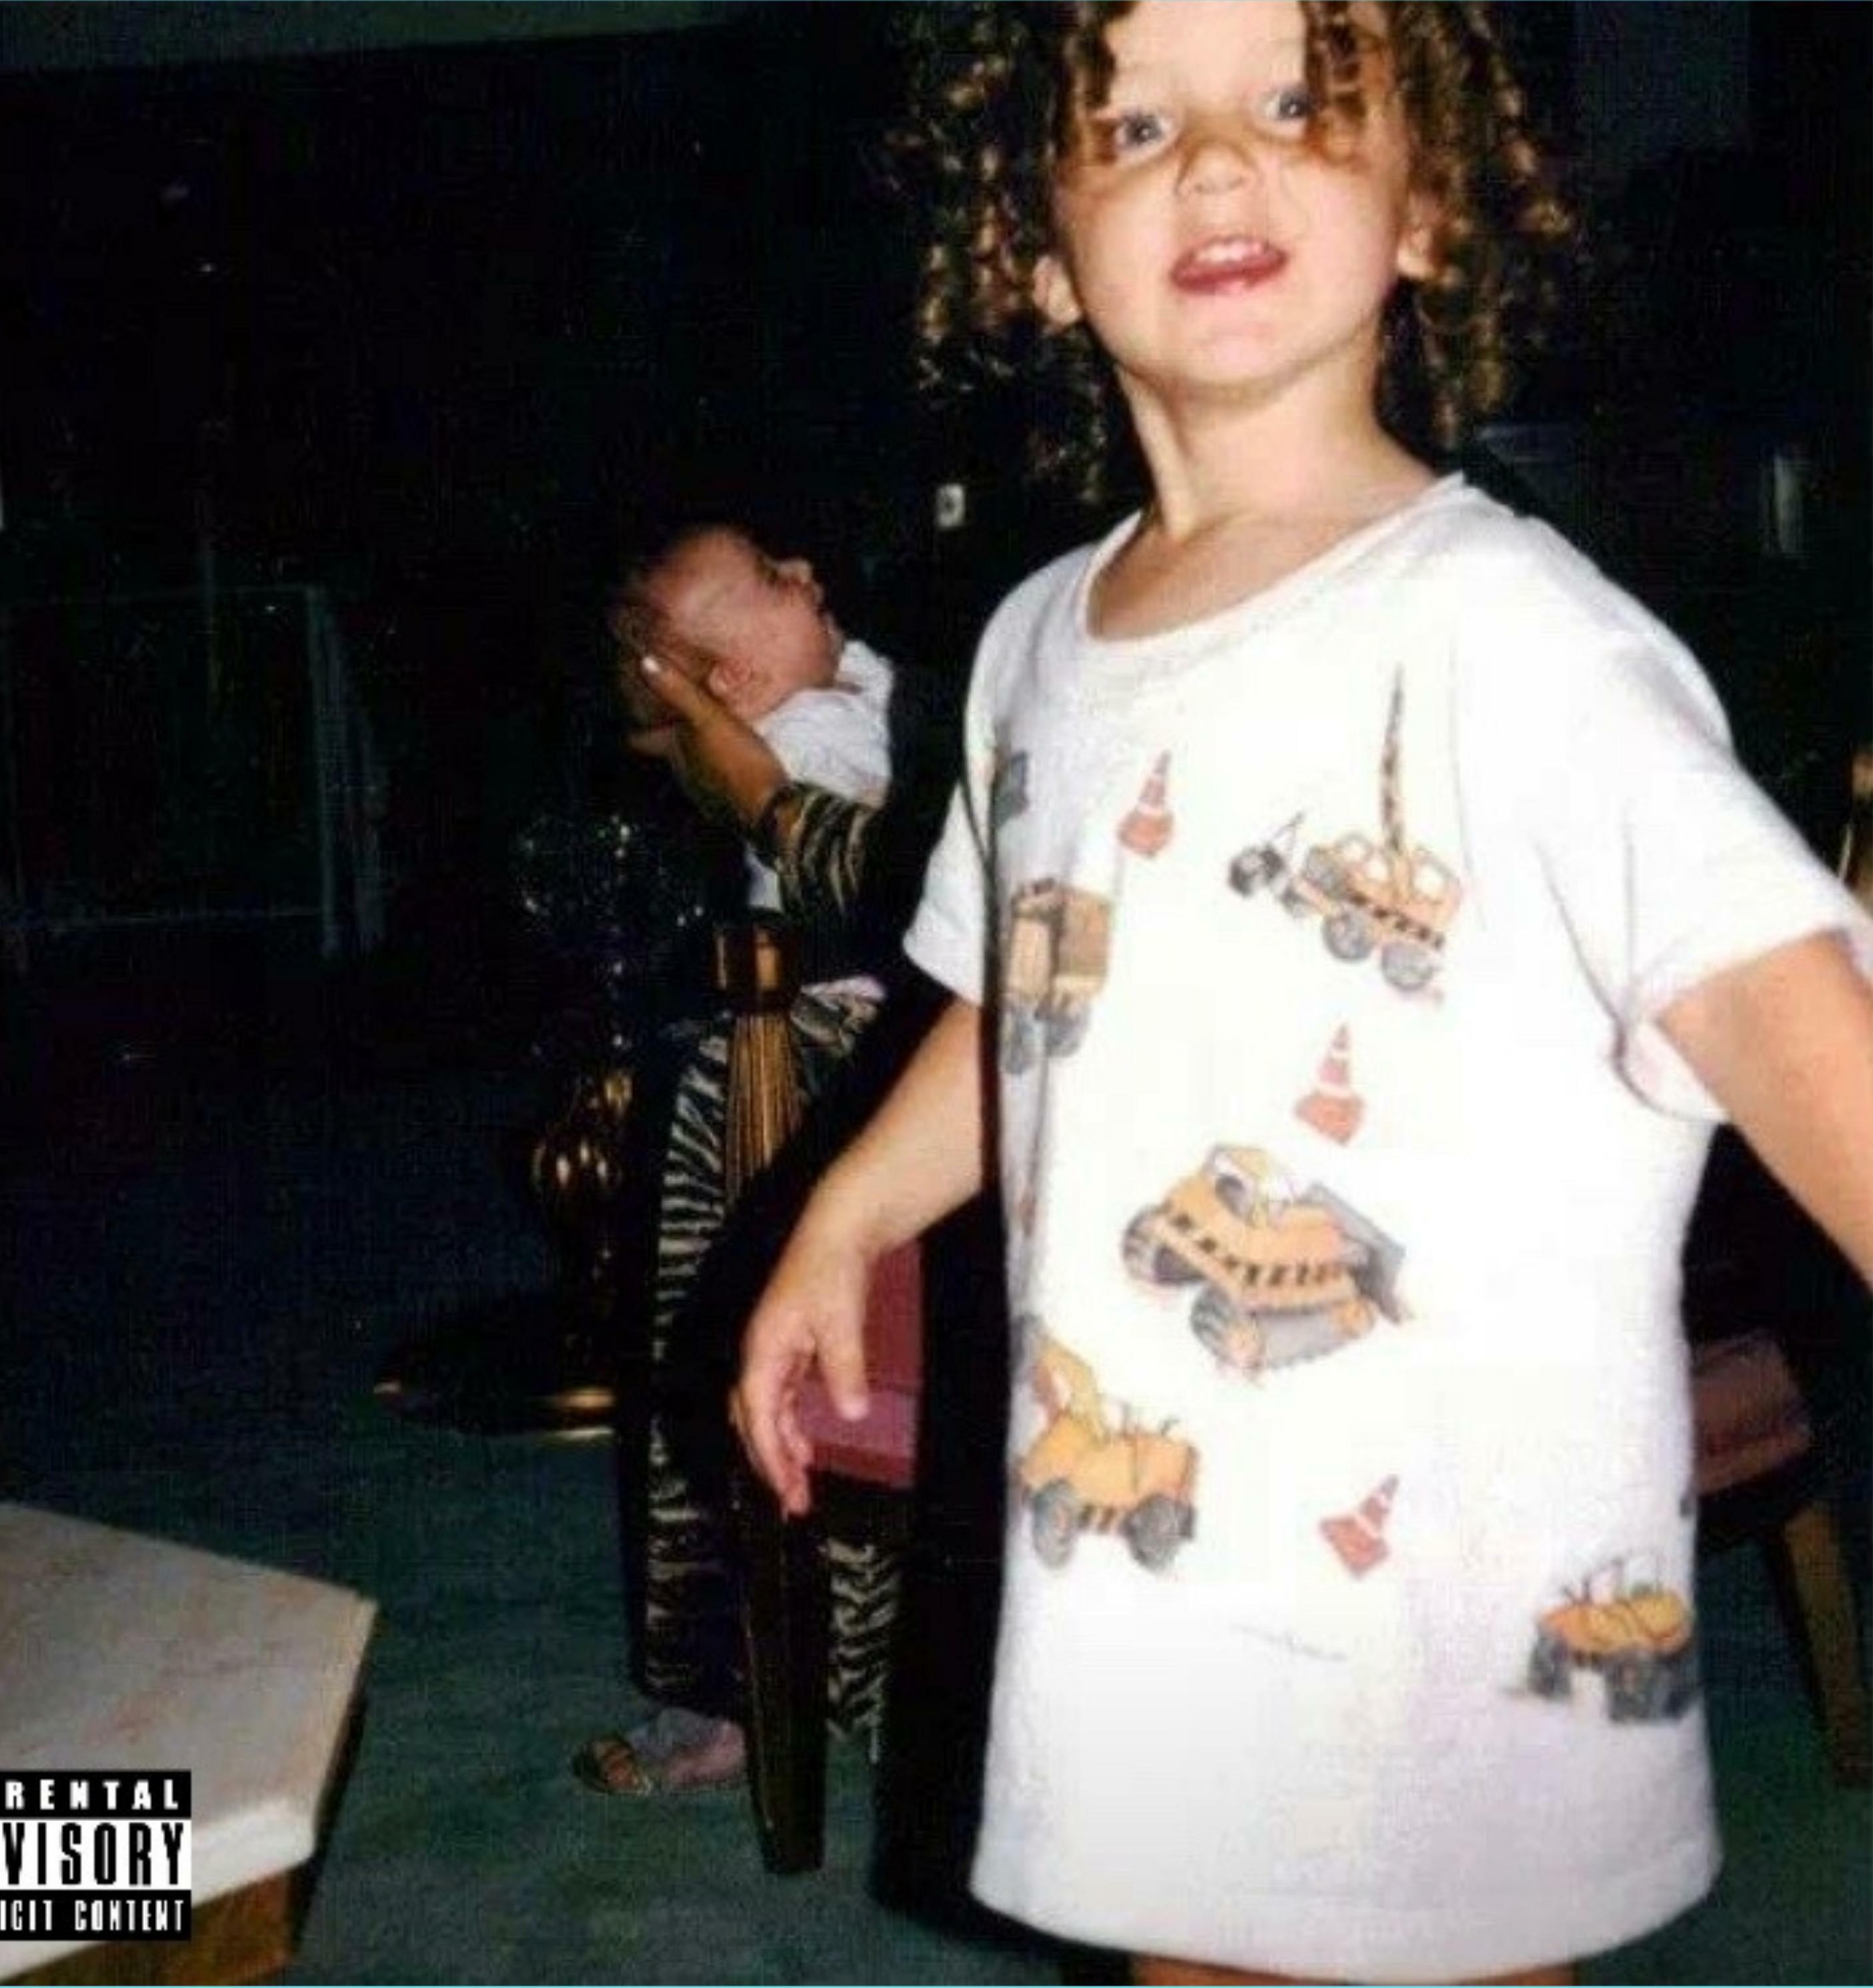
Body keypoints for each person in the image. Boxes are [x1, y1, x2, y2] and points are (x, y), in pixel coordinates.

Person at [730, 5, 1873, 1984]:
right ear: (1031, 244)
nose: (1216, 162)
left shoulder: (1506, 632)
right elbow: (1022, 989)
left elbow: (1774, 1003)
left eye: (1293, 105)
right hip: (1149, 1565)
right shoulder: (1030, 644)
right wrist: (846, 1210)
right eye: (1133, 125)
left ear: (1422, 209)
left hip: (1453, 1585)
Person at [573, 525, 929, 1799]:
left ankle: (811, 1671)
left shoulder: (844, 700)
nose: (812, 573)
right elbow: (865, 860)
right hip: (815, 1050)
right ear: (730, 684)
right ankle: (727, 1672)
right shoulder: (808, 739)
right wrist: (696, 724)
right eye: (777, 581)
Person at [609, 524, 894, 913]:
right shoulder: (793, 748)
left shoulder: (842, 665)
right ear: (736, 676)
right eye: (772, 578)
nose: (801, 567)